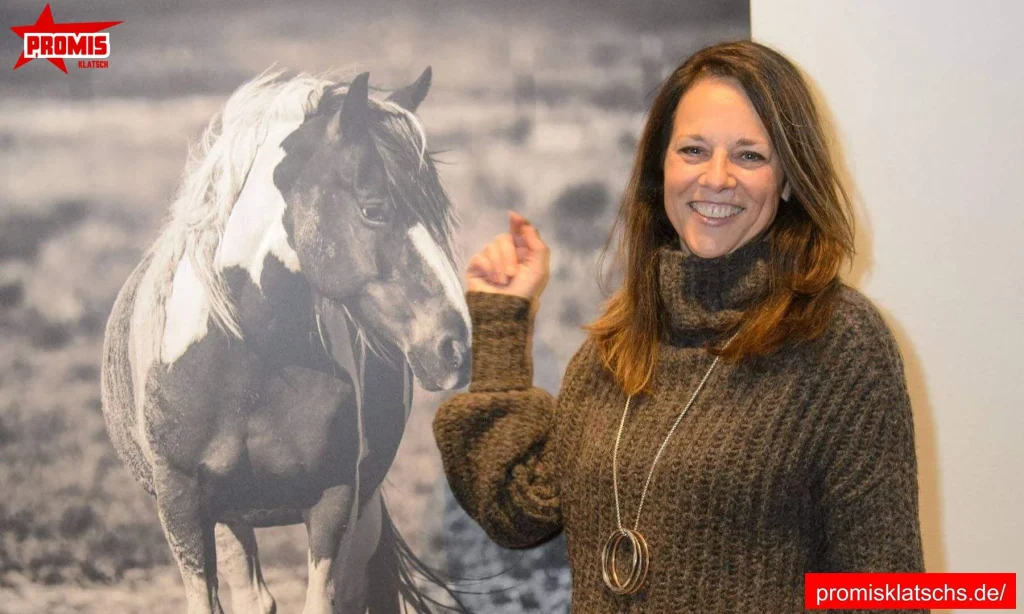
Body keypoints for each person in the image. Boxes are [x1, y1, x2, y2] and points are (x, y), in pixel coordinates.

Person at [432, 40, 926, 612]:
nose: (716, 178)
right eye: (693, 150)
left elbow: (887, 591)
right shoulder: (615, 346)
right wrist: (502, 320)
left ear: (789, 179)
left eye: (749, 156)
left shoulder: (839, 341)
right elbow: (520, 511)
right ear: (660, 167)